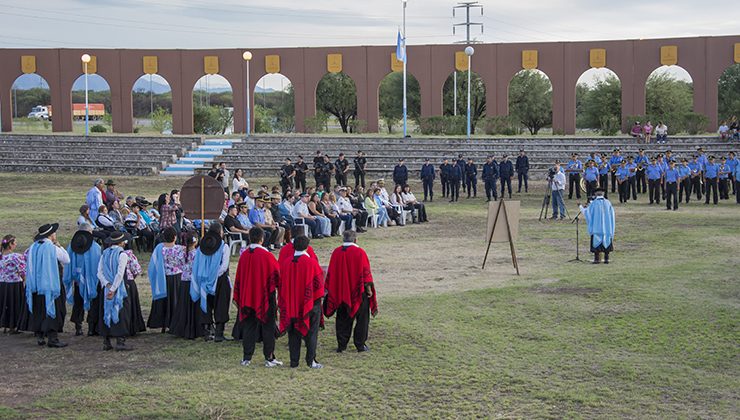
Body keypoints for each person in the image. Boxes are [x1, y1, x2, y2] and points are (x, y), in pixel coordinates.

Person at [233, 227, 283, 367]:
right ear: (262, 239)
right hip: (265, 297)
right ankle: (269, 357)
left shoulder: (244, 255)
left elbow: (239, 278)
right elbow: (276, 276)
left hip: (248, 297)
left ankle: (246, 357)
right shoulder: (267, 256)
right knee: (268, 327)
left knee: (249, 327)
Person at [324, 230, 378, 353]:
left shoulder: (336, 252)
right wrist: (369, 289)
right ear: (355, 240)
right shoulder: (360, 252)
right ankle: (360, 344)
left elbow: (331, 273)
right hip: (358, 291)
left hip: (340, 291)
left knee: (342, 318)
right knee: (362, 319)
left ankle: (341, 344)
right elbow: (365, 273)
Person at [278, 235, 325, 369]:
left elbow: (281, 284)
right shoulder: (311, 263)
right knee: (311, 333)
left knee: (293, 333)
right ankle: (311, 361)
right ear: (307, 246)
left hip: (291, 303)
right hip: (309, 304)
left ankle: (294, 362)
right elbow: (318, 285)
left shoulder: (286, 263)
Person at [25, 223, 70, 347]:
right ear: (51, 235)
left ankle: (40, 336)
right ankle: (52, 338)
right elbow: (66, 260)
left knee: (39, 309)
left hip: (35, 285)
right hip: (51, 284)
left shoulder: (33, 247)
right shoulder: (52, 247)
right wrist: (60, 246)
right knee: (53, 308)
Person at [191, 223, 232, 342]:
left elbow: (197, 263)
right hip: (220, 280)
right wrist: (214, 276)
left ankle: (207, 332)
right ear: (220, 233)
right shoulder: (224, 247)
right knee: (221, 305)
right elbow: (224, 266)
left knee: (206, 304)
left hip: (203, 279)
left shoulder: (201, 247)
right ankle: (219, 333)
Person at [97, 231, 133, 351]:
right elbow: (120, 274)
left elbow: (99, 272)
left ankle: (106, 340)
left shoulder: (104, 253)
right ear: (121, 242)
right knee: (121, 312)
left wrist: (107, 284)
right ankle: (120, 341)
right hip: (118, 288)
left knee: (106, 311)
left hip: (106, 287)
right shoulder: (122, 254)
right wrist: (113, 288)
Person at [63, 225, 102, 336]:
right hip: (92, 280)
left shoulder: (72, 246)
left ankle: (78, 327)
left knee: (78, 303)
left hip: (77, 280)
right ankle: (91, 328)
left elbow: (68, 263)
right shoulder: (95, 247)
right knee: (93, 302)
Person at [147, 227, 183, 333]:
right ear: (175, 237)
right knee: (175, 301)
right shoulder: (179, 249)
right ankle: (174, 322)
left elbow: (152, 264)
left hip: (163, 278)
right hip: (176, 277)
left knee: (164, 301)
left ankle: (163, 323)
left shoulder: (159, 248)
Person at [169, 233, 202, 340]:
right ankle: (195, 328)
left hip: (183, 281)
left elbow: (176, 264)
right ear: (195, 241)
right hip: (193, 282)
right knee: (193, 305)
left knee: (183, 305)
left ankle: (181, 328)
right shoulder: (197, 254)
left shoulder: (180, 253)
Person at [578, 188, 615, 264]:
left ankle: (597, 259)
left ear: (595, 194)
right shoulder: (608, 203)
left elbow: (587, 214)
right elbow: (612, 216)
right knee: (606, 241)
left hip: (596, 228)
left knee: (596, 243)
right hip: (607, 228)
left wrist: (580, 207)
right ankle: (606, 259)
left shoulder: (594, 204)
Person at [0, 235, 26, 334]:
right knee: (14, 305)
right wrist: (24, 279)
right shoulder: (15, 257)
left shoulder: (1, 256)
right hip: (14, 285)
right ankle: (12, 326)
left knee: (4, 304)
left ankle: (4, 325)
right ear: (10, 244)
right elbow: (22, 271)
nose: (16, 245)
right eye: (15, 243)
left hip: (2, 285)